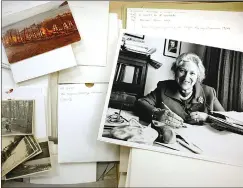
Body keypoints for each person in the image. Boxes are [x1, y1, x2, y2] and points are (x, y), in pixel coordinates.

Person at [135, 52, 225, 128]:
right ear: (175, 71)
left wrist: (207, 117)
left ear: (198, 76)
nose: (186, 77)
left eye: (192, 73)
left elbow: (225, 119)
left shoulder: (209, 92)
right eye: (182, 70)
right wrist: (156, 113)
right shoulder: (163, 88)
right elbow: (141, 103)